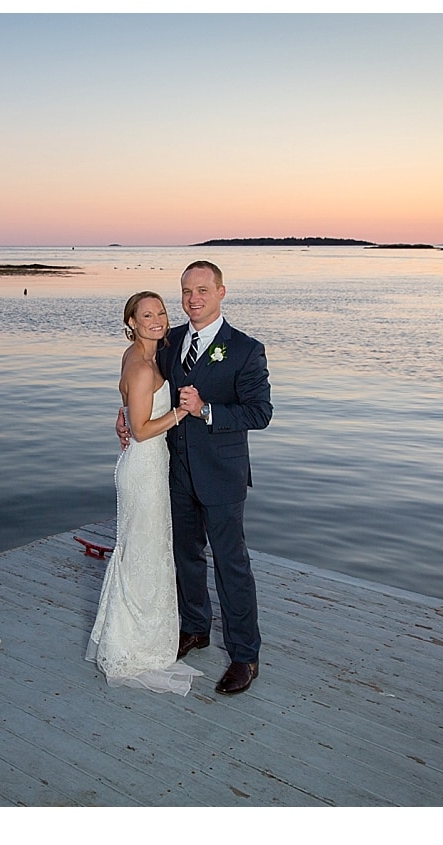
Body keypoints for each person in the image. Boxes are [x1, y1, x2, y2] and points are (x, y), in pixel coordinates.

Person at [118, 261, 272, 695]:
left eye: (202, 290)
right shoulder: (170, 343)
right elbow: (142, 384)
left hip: (222, 476)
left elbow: (261, 413)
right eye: (186, 291)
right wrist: (126, 413)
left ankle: (245, 655)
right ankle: (195, 627)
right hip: (174, 471)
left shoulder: (245, 349)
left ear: (222, 292)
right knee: (184, 556)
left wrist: (206, 409)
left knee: (231, 564)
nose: (193, 299)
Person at [87, 292, 204, 695]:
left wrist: (123, 413)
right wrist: (183, 412)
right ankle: (132, 645)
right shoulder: (140, 366)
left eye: (161, 312)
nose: (157, 320)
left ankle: (142, 636)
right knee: (143, 551)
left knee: (145, 550)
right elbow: (140, 429)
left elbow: (129, 412)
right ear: (132, 323)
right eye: (147, 315)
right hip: (144, 466)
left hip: (149, 465)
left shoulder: (143, 354)